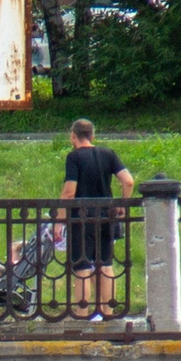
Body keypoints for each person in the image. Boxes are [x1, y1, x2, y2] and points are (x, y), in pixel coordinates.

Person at [58, 118, 135, 322]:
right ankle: (107, 313)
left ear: (73, 136)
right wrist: (122, 205)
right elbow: (128, 181)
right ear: (92, 136)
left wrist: (59, 221)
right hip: (106, 217)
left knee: (82, 267)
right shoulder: (108, 154)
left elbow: (69, 193)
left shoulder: (74, 157)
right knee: (105, 265)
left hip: (81, 219)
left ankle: (83, 315)